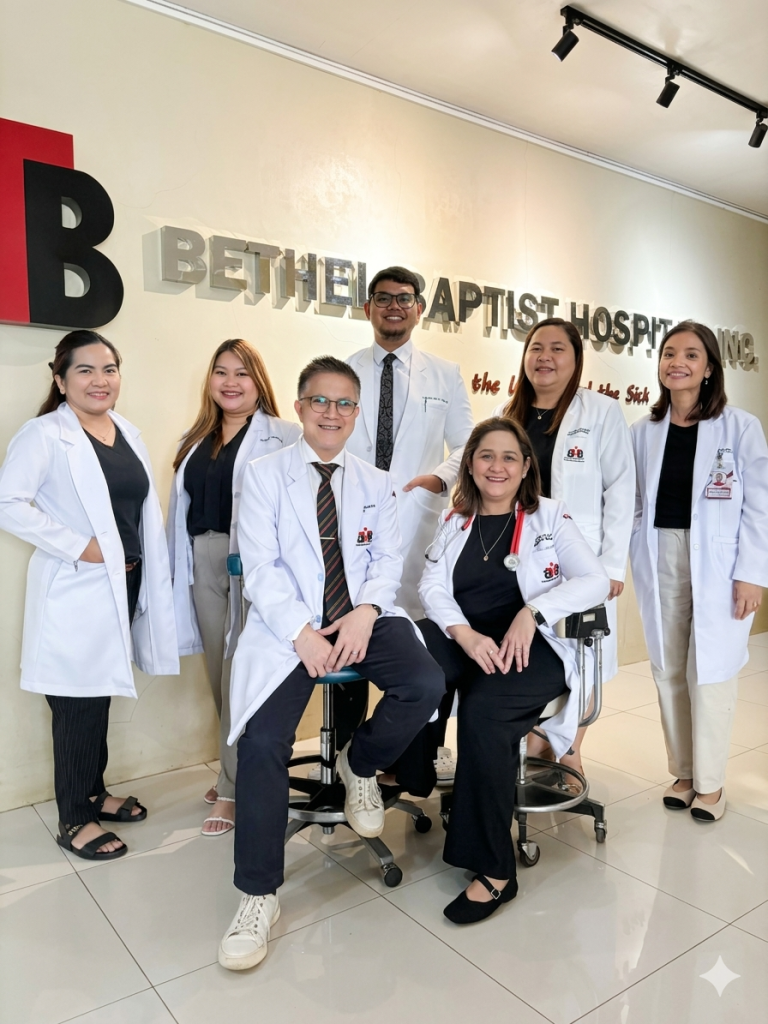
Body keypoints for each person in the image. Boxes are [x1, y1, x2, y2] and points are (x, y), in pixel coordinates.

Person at [218, 355, 444, 970]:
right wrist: (303, 634)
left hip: (362, 615)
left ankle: (359, 763)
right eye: (320, 400)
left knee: (424, 682)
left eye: (345, 403)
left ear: (357, 414)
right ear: (299, 407)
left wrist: (366, 610)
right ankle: (258, 896)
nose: (332, 413)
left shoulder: (375, 481)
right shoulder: (264, 475)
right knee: (263, 742)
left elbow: (387, 559)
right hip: (287, 627)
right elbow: (260, 567)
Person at [417, 417, 608, 923]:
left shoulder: (550, 516)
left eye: (508, 457)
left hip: (534, 646)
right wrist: (464, 634)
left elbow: (594, 580)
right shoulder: (455, 519)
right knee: (415, 660)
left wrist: (533, 612)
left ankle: (495, 870)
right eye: (486, 455)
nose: (496, 466)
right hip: (470, 639)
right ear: (470, 465)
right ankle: (410, 772)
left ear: (526, 467)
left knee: (484, 710)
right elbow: (431, 585)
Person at [0, 330, 179, 861]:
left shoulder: (125, 430)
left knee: (98, 692)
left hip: (123, 584)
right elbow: (8, 502)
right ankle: (74, 818)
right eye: (85, 370)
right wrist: (82, 547)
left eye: (109, 369)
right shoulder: (44, 434)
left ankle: (94, 792)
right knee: (76, 704)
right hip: (76, 590)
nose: (100, 381)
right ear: (60, 380)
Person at [630, 321, 768, 822]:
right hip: (660, 554)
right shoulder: (642, 430)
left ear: (709, 367)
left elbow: (760, 506)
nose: (677, 362)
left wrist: (752, 573)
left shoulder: (740, 427)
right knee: (668, 666)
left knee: (709, 669)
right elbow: (635, 501)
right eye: (669, 353)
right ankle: (684, 773)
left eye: (691, 354)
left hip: (721, 561)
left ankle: (711, 784)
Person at [346, 266, 474, 783]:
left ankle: (412, 765)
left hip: (417, 524)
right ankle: (355, 764)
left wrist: (440, 479)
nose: (393, 307)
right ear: (368, 308)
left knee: (424, 647)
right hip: (354, 529)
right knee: (355, 638)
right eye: (383, 298)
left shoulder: (444, 373)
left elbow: (467, 443)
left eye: (404, 298)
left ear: (419, 308)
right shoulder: (345, 370)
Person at [168, 339, 301, 836]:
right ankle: (239, 767)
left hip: (252, 563)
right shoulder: (195, 439)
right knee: (215, 674)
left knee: (238, 675)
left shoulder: (284, 435)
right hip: (202, 558)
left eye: (242, 373)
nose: (230, 382)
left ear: (258, 381)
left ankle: (231, 787)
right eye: (221, 372)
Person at [494, 317, 634, 776]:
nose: (545, 357)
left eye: (558, 348)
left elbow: (621, 489)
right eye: (537, 347)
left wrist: (611, 566)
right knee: (532, 651)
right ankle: (537, 746)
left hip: (581, 557)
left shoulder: (601, 411)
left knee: (582, 652)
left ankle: (570, 751)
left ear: (576, 360)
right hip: (520, 556)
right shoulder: (508, 413)